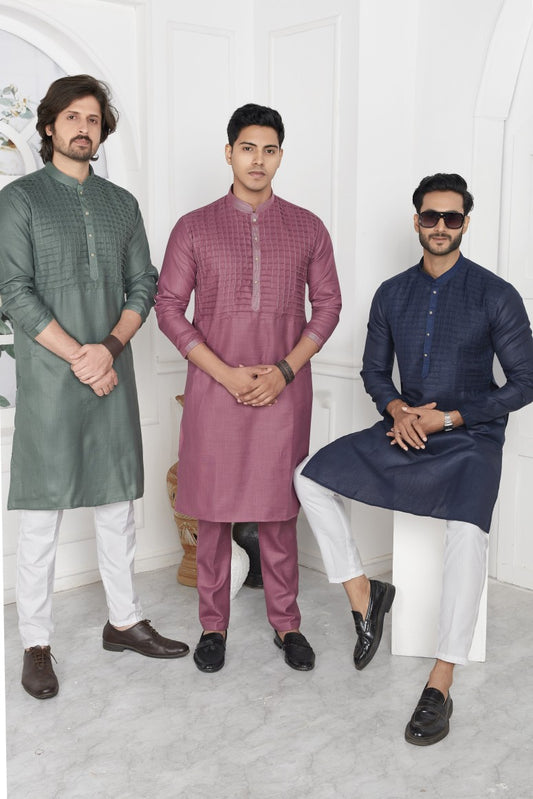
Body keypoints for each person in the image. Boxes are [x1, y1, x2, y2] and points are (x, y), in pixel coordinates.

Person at [294, 173, 533, 744]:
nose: (441, 226)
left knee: (467, 534)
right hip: (406, 429)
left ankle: (440, 682)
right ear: (417, 221)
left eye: (452, 217)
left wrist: (449, 419)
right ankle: (364, 594)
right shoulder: (391, 293)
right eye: (431, 216)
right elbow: (374, 371)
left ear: (466, 223)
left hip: (471, 438)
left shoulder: (496, 294)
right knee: (308, 477)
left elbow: (525, 382)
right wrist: (399, 410)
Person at [0, 75, 189, 701]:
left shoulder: (121, 204)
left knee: (117, 506)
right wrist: (81, 357)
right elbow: (15, 292)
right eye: (72, 117)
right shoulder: (19, 200)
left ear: (102, 130)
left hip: (111, 370)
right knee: (41, 516)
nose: (84, 128)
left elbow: (144, 284)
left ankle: (124, 621)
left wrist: (107, 349)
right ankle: (35, 641)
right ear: (49, 125)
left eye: (93, 119)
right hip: (51, 379)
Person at [156, 103, 341, 673]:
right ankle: (213, 625)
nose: (258, 160)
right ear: (229, 153)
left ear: (281, 156)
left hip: (284, 388)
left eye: (269, 149)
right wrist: (228, 374)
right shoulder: (194, 226)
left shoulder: (308, 227)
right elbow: (168, 307)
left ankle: (287, 625)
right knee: (212, 513)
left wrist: (284, 370)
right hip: (216, 389)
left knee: (279, 511)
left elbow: (328, 305)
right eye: (247, 148)